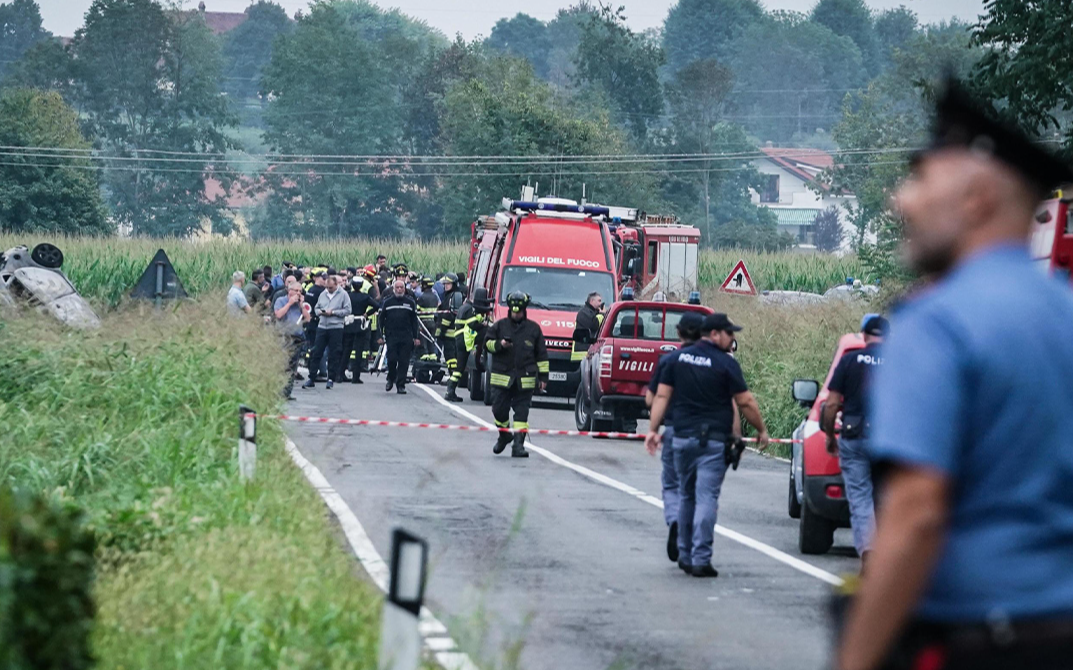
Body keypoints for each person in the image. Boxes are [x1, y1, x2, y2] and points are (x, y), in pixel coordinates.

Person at [836, 80, 1073, 670]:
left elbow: (916, 512)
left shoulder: (937, 323)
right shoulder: (1063, 314)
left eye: (920, 180)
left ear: (976, 200)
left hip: (981, 640)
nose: (901, 203)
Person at [645, 313, 769, 577]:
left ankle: (686, 554)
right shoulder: (725, 363)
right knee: (706, 498)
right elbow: (744, 402)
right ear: (714, 334)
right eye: (729, 333)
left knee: (687, 495)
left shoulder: (675, 359)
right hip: (712, 441)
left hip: (681, 439)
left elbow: (661, 396)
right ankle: (701, 558)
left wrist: (653, 431)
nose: (732, 338)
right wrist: (760, 429)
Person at [822, 313, 888, 567]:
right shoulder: (900, 362)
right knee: (886, 497)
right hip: (888, 440)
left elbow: (832, 404)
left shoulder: (850, 360)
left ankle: (870, 551)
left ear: (864, 336)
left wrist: (830, 435)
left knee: (860, 498)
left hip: (854, 436)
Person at [645, 311, 703, 563]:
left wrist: (653, 429)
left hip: (676, 432)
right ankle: (697, 542)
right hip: (708, 436)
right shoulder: (720, 361)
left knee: (672, 484)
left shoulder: (670, 361)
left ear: (678, 333)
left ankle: (675, 520)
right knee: (700, 490)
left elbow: (653, 398)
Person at [484, 291, 549, 458]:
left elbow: (541, 356)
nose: (516, 314)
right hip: (501, 378)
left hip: (524, 379)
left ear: (524, 310)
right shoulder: (499, 326)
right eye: (513, 312)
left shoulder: (533, 329)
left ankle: (518, 445)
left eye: (519, 312)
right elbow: (487, 344)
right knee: (498, 410)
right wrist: (500, 344)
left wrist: (543, 378)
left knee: (521, 414)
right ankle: (504, 434)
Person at [302, 273, 351, 390]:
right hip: (322, 326)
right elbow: (316, 308)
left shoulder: (343, 295)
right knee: (317, 351)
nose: (328, 290)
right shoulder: (323, 294)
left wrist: (333, 312)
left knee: (334, 353)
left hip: (336, 327)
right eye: (327, 288)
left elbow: (348, 310)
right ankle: (312, 377)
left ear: (336, 285)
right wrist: (321, 312)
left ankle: (331, 378)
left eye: (331, 288)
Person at [445, 287, 490, 402]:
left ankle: (450, 390)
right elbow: (472, 325)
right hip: (463, 341)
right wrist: (483, 324)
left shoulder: (464, 307)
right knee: (460, 368)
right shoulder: (469, 309)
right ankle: (450, 391)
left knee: (460, 367)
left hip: (460, 340)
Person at [379, 279, 420, 394]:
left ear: (404, 289)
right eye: (397, 288)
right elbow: (381, 320)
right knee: (391, 360)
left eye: (401, 287)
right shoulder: (387, 302)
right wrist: (380, 335)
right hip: (392, 336)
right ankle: (391, 378)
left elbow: (414, 321)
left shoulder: (410, 302)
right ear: (393, 289)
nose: (399, 290)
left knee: (404, 361)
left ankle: (400, 385)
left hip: (406, 336)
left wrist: (416, 337)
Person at [274, 278, 310, 399]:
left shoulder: (299, 304)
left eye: (301, 291)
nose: (299, 293)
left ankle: (287, 392)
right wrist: (289, 303)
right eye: (296, 291)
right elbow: (278, 315)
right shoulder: (281, 300)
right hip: (284, 336)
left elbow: (307, 318)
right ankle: (278, 391)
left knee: (293, 367)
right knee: (283, 365)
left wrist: (301, 305)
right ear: (290, 291)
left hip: (297, 337)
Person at [342, 275, 378, 384]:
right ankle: (355, 376)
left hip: (349, 322)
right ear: (361, 285)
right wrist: (367, 314)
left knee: (346, 349)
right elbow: (377, 305)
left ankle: (340, 374)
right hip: (361, 323)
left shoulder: (347, 296)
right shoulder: (365, 297)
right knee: (359, 350)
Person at [437, 272, 462, 386]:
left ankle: (453, 377)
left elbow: (449, 315)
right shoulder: (452, 295)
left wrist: (442, 329)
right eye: (445, 284)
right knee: (451, 357)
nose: (445, 286)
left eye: (448, 284)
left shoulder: (453, 296)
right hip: (452, 333)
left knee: (451, 357)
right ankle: (453, 375)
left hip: (450, 333)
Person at [415, 275, 441, 372]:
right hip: (433, 323)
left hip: (423, 323)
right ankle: (433, 356)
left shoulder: (422, 297)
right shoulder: (435, 297)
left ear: (425, 285)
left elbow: (417, 311)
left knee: (423, 341)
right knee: (432, 340)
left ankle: (424, 358)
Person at [573, 291, 604, 363]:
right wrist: (602, 315)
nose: (600, 304)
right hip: (581, 353)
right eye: (599, 301)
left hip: (588, 352)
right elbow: (594, 325)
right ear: (592, 301)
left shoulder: (591, 312)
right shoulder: (584, 312)